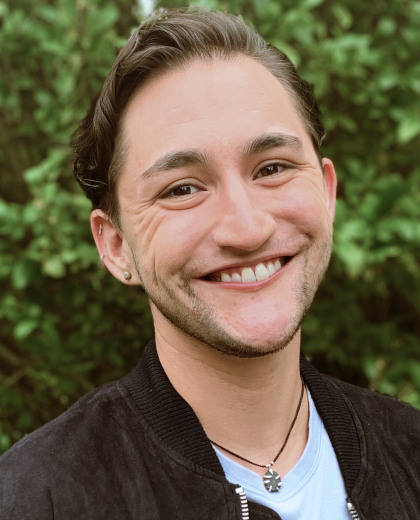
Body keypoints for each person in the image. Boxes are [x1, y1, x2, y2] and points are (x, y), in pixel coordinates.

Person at [0, 8, 419, 520]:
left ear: (326, 193)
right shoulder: (37, 497)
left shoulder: (410, 451)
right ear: (115, 246)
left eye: (272, 168)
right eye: (182, 189)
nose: (247, 229)